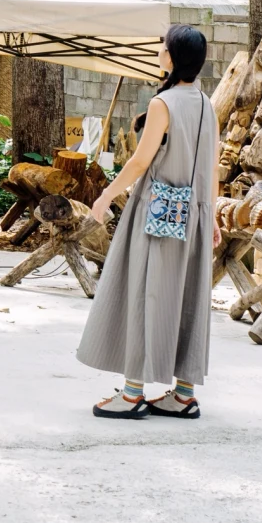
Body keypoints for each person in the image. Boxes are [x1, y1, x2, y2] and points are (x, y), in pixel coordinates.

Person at [77, 24, 220, 419]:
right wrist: (213, 214)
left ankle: (133, 391)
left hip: (156, 212)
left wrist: (106, 195)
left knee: (144, 293)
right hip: (196, 215)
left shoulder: (164, 104)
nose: (158, 50)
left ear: (173, 57)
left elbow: (140, 161)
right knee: (189, 296)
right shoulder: (208, 104)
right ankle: (183, 394)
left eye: (162, 46)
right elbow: (213, 163)